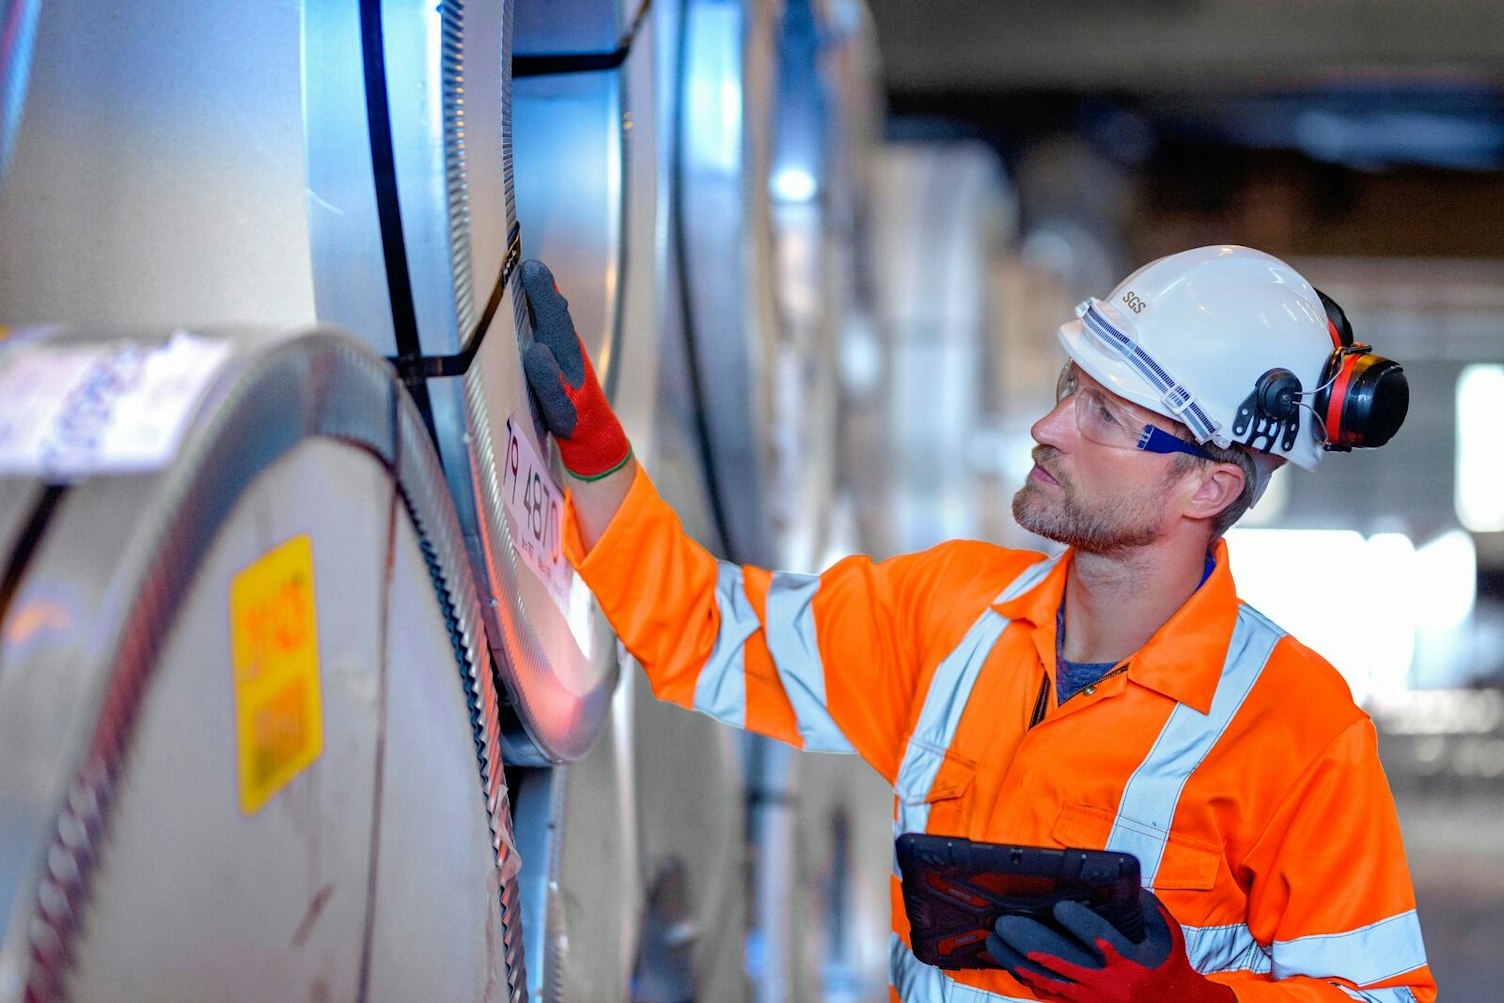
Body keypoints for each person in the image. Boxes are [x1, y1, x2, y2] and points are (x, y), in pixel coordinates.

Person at [520, 245, 1434, 1001]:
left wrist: (1187, 1000)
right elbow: (707, 634)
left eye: (1104, 414)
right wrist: (595, 456)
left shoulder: (1300, 728)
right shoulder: (948, 612)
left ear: (1210, 484)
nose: (1049, 424)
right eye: (1071, 385)